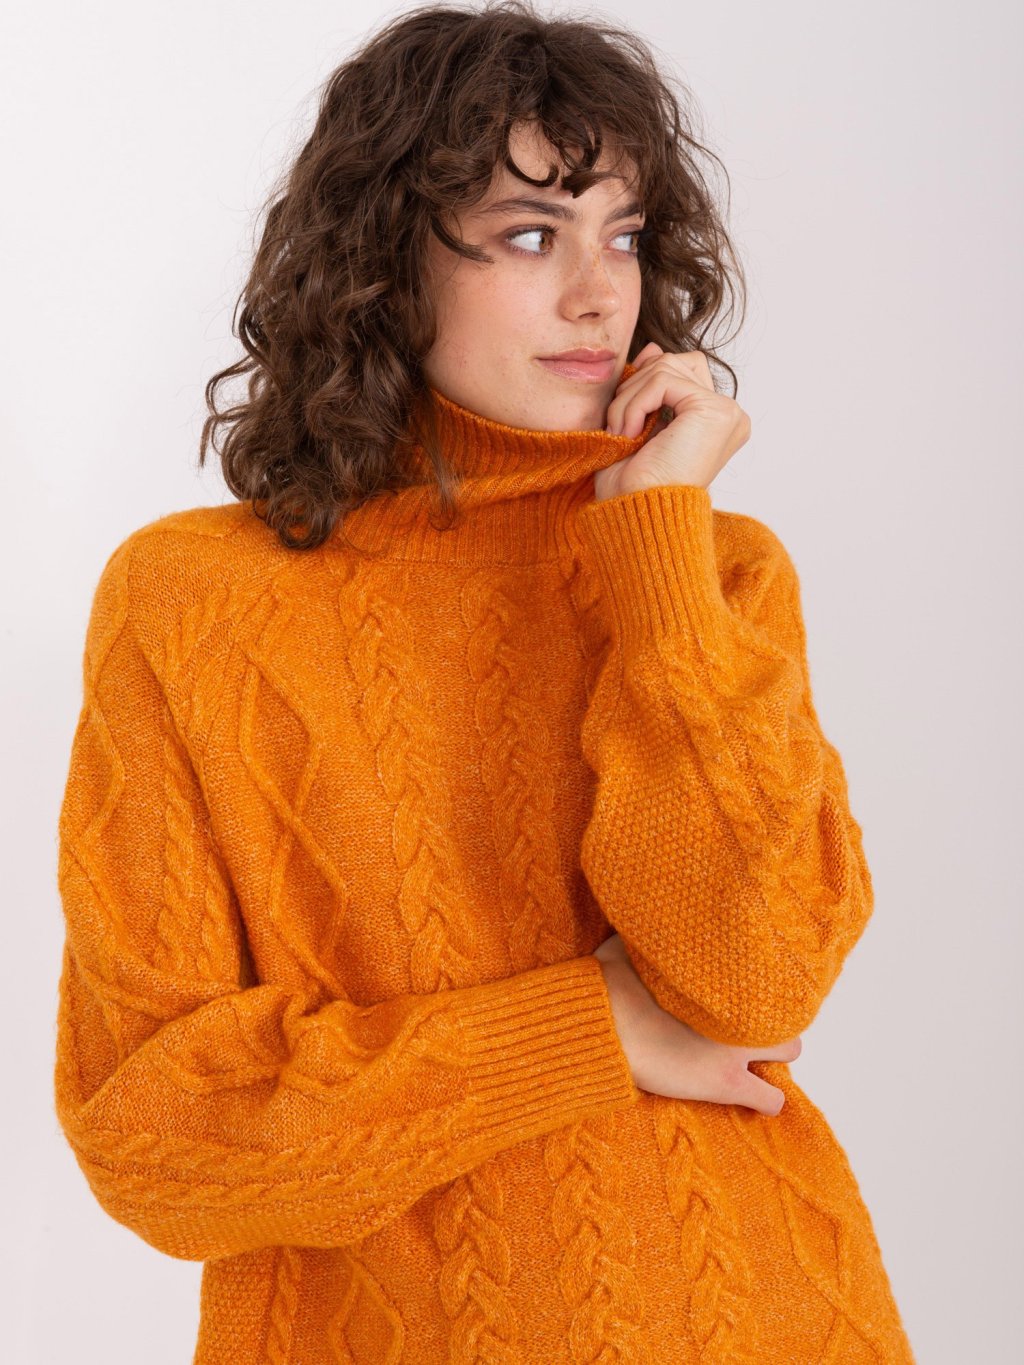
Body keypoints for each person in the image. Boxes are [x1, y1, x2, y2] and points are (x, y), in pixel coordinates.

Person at [53, 2, 916, 1360]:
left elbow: (754, 982)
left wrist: (656, 544)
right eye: (529, 234)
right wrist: (588, 1026)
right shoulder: (191, 601)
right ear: (384, 260)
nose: (599, 295)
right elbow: (158, 1135)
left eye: (622, 235)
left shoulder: (704, 567)